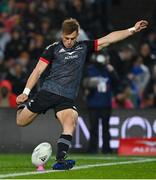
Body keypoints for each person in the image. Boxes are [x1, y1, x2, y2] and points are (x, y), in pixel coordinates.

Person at [16, 18, 148, 170]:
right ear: (61, 35)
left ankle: (60, 160)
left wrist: (132, 29)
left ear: (77, 35)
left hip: (66, 97)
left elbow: (109, 39)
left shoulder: (84, 47)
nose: (69, 42)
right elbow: (38, 70)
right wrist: (26, 92)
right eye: (66, 38)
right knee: (21, 121)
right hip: (48, 92)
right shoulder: (52, 49)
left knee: (70, 122)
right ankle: (23, 106)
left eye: (72, 38)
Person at [83, 51, 119, 154]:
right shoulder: (90, 69)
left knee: (105, 128)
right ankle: (92, 149)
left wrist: (112, 71)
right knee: (94, 128)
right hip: (93, 103)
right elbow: (84, 83)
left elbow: (117, 83)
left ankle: (106, 149)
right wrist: (88, 87)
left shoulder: (108, 70)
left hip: (105, 104)